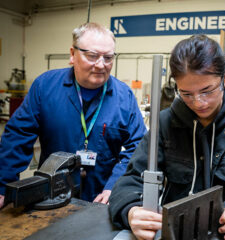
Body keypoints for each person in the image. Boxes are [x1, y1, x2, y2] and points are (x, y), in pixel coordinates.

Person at [109, 34, 225, 240]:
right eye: (187, 94)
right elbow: (132, 178)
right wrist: (131, 210)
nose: (199, 103)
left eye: (207, 91)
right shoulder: (165, 122)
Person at [0, 22, 147, 208]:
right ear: (72, 54)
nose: (101, 65)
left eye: (108, 58)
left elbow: (139, 147)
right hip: (50, 195)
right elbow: (17, 137)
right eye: (92, 56)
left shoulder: (124, 96)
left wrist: (116, 185)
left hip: (101, 198)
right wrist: (3, 186)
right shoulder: (45, 87)